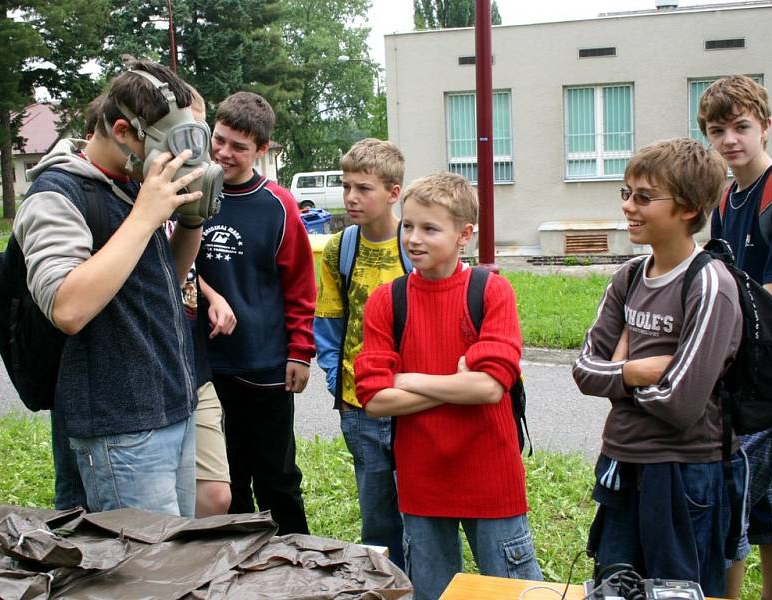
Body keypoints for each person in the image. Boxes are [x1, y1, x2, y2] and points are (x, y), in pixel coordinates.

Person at [13, 59, 205, 517]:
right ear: (124, 131)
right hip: (120, 429)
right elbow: (67, 307)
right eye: (170, 145)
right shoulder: (56, 195)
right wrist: (145, 216)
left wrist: (191, 220)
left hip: (172, 408)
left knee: (176, 566)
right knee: (143, 578)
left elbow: (164, 283)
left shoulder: (131, 188)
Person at [355, 172, 543, 599]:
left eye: (429, 228)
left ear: (464, 234)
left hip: (491, 476)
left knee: (514, 590)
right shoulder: (388, 300)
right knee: (432, 592)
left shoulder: (491, 291)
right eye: (408, 225)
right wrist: (456, 382)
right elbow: (374, 400)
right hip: (421, 480)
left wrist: (409, 379)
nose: (413, 238)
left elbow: (491, 389)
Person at [572, 138, 747, 597]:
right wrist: (632, 372)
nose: (629, 206)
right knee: (614, 586)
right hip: (621, 463)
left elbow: (681, 403)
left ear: (688, 208)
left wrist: (616, 373)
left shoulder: (709, 284)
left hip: (683, 474)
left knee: (676, 591)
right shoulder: (628, 276)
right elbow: (583, 371)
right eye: (626, 193)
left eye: (644, 197)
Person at [196, 91, 315, 533]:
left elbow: (300, 285)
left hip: (264, 365)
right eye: (219, 139)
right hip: (206, 365)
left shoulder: (278, 206)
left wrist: (300, 352)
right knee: (226, 479)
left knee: (277, 477)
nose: (224, 152)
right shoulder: (191, 192)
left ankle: (299, 562)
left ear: (262, 150)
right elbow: (177, 266)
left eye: (238, 147)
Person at [699, 75, 772, 599]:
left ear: (766, 128)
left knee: (743, 504)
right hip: (747, 369)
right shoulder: (725, 198)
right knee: (765, 504)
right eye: (717, 130)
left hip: (767, 371)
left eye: (741, 127)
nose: (730, 139)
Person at [314, 138, 408, 568]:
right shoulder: (340, 247)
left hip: (413, 404)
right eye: (346, 185)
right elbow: (329, 322)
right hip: (359, 405)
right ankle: (386, 586)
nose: (351, 197)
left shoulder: (414, 244)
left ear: (393, 192)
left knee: (421, 513)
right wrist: (338, 379)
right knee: (377, 516)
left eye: (363, 188)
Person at [167, 84, 234, 518]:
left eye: (198, 133)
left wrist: (209, 293)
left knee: (214, 496)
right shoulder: (142, 193)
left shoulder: (197, 190)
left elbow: (179, 268)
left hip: (194, 360)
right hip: (152, 369)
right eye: (182, 134)